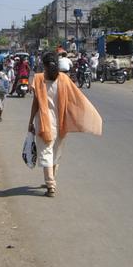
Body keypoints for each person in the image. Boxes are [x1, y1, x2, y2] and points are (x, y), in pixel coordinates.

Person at [27, 52, 102, 197]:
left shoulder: (38, 79)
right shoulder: (64, 79)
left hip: (43, 121)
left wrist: (30, 121)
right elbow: (76, 100)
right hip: (60, 122)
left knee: (46, 152)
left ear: (44, 65)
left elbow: (36, 103)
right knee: (55, 152)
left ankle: (50, 185)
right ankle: (52, 179)